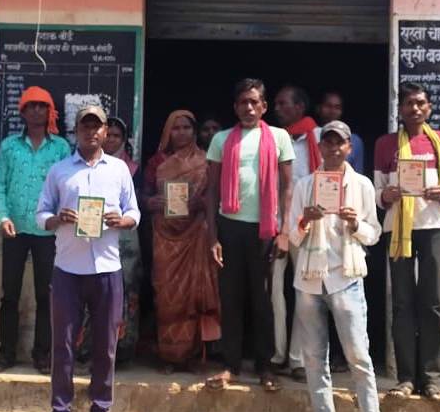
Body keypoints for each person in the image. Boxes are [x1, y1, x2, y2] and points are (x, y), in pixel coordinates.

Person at [37, 105, 141, 412]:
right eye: (85, 126)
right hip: (68, 268)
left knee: (105, 343)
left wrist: (123, 221)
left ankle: (102, 410)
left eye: (97, 126)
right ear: (76, 130)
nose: (91, 132)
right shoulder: (60, 171)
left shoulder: (119, 170)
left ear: (105, 131)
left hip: (107, 268)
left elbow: (134, 211)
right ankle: (60, 411)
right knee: (64, 342)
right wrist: (57, 219)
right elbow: (41, 214)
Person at [288, 120, 387, 412]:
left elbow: (374, 234)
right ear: (320, 147)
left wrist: (355, 223)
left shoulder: (362, 186)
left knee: (358, 355)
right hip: (309, 279)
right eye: (327, 143)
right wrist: (305, 220)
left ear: (349, 147)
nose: (333, 148)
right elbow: (292, 236)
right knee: (315, 359)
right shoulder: (305, 185)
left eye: (339, 143)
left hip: (346, 276)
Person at [374, 82, 440, 401]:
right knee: (402, 302)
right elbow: (377, 189)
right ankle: (406, 378)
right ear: (399, 109)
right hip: (397, 229)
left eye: (420, 103)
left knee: (432, 302)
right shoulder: (386, 144)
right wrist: (385, 195)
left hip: (434, 227)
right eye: (408, 103)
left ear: (429, 107)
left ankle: (430, 378)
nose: (414, 108)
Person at [204, 79, 294, 392]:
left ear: (264, 106)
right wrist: (212, 237)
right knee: (230, 298)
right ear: (235, 107)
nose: (249, 108)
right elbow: (211, 191)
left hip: (265, 229)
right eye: (243, 102)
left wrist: (284, 231)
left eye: (254, 102)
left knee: (263, 300)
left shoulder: (280, 137)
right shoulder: (221, 140)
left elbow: (288, 187)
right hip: (229, 227)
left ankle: (265, 366)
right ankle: (230, 365)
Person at [0, 86, 70, 374]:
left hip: (49, 232)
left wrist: (62, 217)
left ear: (50, 112)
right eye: (31, 106)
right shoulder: (10, 146)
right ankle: (6, 354)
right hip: (15, 229)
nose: (36, 110)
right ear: (22, 112)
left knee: (47, 295)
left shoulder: (60, 147)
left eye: (42, 106)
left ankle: (43, 354)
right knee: (9, 294)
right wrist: (1, 217)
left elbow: (68, 186)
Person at [143, 110, 220, 372]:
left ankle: (193, 356)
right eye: (176, 128)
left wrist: (201, 203)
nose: (181, 133)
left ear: (194, 132)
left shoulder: (206, 161)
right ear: (168, 132)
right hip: (165, 237)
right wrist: (150, 202)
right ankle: (168, 356)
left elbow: (215, 196)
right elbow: (142, 194)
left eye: (187, 127)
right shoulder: (157, 162)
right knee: (167, 296)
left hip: (196, 233)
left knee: (194, 294)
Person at [77, 116, 143, 364]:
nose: (112, 140)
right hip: (93, 235)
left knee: (125, 290)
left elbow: (137, 205)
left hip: (126, 238)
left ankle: (122, 350)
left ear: (124, 140)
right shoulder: (83, 167)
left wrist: (122, 217)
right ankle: (87, 348)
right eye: (110, 135)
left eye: (117, 136)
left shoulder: (132, 169)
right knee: (93, 289)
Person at [272, 85, 323, 382]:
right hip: (277, 226)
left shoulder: (319, 138)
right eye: (276, 103)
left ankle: (297, 360)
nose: (277, 108)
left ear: (300, 107)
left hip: (309, 226)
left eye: (283, 103)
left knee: (305, 294)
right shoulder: (273, 138)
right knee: (273, 293)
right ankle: (276, 354)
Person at [316, 91, 365, 174]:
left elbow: (358, 171)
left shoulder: (354, 140)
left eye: (337, 107)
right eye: (328, 106)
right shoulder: (308, 136)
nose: (332, 111)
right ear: (318, 108)